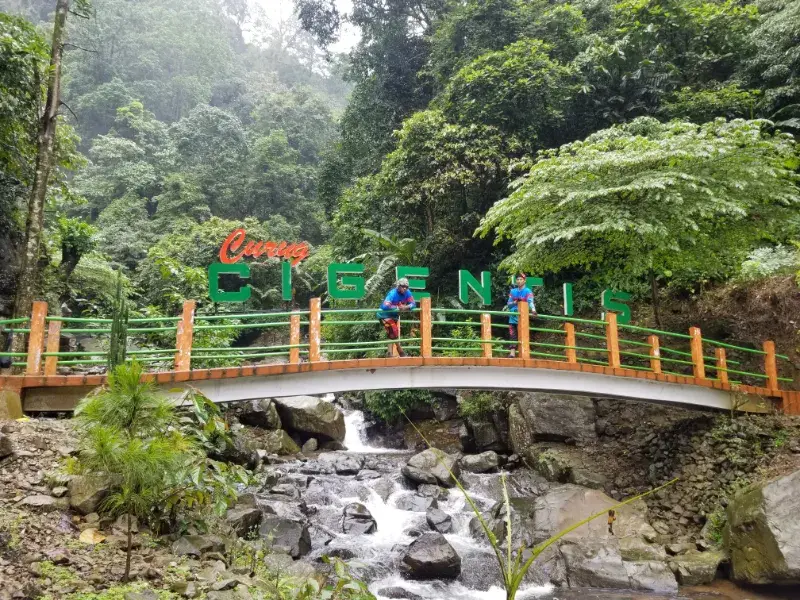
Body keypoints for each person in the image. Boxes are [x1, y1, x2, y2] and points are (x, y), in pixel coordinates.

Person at [377, 277, 416, 357]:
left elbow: (413, 304)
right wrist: (398, 307)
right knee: (394, 330)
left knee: (391, 333)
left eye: (406, 287)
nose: (404, 288)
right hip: (384, 315)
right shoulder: (392, 293)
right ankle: (401, 351)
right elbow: (385, 306)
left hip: (394, 316)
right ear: (398, 286)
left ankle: (389, 354)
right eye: (402, 286)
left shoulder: (408, 293)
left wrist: (406, 307)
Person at [507, 272, 536, 358]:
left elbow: (531, 301)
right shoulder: (513, 291)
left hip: (522, 317)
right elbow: (508, 304)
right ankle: (512, 353)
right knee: (512, 334)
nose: (519, 281)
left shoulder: (528, 291)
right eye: (518, 279)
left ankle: (524, 353)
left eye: (521, 279)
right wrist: (515, 302)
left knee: (524, 334)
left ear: (524, 281)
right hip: (513, 316)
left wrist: (533, 310)